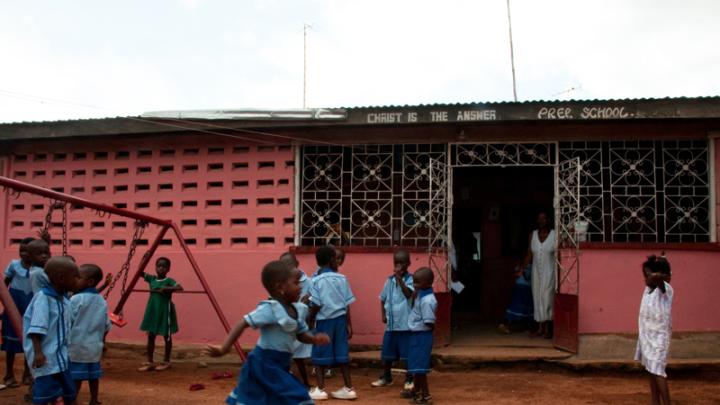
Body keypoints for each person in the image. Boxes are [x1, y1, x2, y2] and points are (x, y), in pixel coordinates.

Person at [204, 260, 330, 405]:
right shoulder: (271, 309)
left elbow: (300, 334)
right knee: (298, 397)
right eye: (296, 283)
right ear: (280, 287)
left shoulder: (299, 310)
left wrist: (314, 339)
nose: (300, 287)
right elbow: (243, 323)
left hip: (281, 364)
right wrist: (223, 348)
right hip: (263, 363)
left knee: (275, 399)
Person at [23, 256, 79, 405]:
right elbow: (36, 328)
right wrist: (38, 353)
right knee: (44, 395)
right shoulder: (43, 298)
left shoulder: (63, 299)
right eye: (75, 277)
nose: (78, 280)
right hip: (46, 358)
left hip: (61, 357)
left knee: (69, 392)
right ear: (61, 278)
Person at [307, 246, 357, 401]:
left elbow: (315, 304)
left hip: (324, 321)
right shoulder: (342, 279)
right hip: (340, 321)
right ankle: (349, 388)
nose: (337, 261)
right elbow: (347, 303)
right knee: (342, 353)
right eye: (335, 258)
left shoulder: (316, 280)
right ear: (330, 260)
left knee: (320, 352)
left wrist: (310, 321)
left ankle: (321, 389)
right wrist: (349, 324)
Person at [371, 250, 414, 393]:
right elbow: (382, 298)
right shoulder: (389, 281)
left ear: (408, 264)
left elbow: (409, 294)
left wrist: (399, 279)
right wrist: (383, 315)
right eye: (396, 263)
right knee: (387, 353)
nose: (399, 265)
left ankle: (409, 378)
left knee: (406, 354)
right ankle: (386, 376)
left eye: (402, 263)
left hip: (405, 325)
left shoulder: (411, 279)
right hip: (391, 324)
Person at [68, 264, 111, 405]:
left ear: (90, 281)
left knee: (76, 376)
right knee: (94, 376)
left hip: (76, 346)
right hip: (94, 347)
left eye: (78, 277)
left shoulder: (75, 300)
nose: (74, 280)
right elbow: (107, 325)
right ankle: (94, 399)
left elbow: (68, 321)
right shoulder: (101, 301)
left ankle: (73, 399)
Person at [635, 255, 673, 405]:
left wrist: (659, 269)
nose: (646, 279)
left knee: (658, 370)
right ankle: (655, 401)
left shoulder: (665, 290)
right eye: (644, 276)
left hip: (659, 338)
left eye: (647, 276)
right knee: (651, 369)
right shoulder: (648, 290)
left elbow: (660, 279)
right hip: (647, 337)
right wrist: (651, 274)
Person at [2, 237, 37, 389]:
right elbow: (4, 285)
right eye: (21, 251)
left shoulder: (38, 268)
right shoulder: (14, 265)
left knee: (31, 340)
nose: (23, 254)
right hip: (14, 303)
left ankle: (27, 373)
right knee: (11, 342)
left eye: (27, 251)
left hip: (31, 305)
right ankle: (9, 374)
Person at [138, 257, 183, 371]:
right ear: (155, 267)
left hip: (165, 310)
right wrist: (144, 257)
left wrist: (167, 288)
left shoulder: (169, 280)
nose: (161, 268)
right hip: (153, 310)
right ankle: (150, 362)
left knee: (167, 336)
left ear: (168, 269)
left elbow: (179, 287)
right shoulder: (152, 279)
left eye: (164, 267)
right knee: (151, 335)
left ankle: (166, 361)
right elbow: (140, 272)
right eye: (159, 266)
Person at [280, 252, 313, 388]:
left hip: (302, 323)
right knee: (285, 353)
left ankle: (305, 382)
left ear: (297, 264)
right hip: (286, 322)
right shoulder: (280, 283)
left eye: (289, 265)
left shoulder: (309, 282)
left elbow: (313, 300)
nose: (286, 268)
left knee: (299, 356)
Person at [405, 267, 437, 404]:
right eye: (414, 282)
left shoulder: (427, 300)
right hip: (417, 335)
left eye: (417, 282)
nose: (414, 285)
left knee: (420, 369)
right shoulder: (421, 295)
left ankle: (426, 396)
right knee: (417, 368)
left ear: (428, 283)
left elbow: (429, 321)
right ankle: (416, 393)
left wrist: (428, 330)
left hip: (422, 336)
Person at [522, 211, 556, 338]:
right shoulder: (533, 235)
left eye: (544, 218)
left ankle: (548, 329)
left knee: (547, 298)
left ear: (548, 220)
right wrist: (522, 269)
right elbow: (529, 255)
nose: (541, 221)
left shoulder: (554, 235)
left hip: (550, 272)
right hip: (536, 273)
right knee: (537, 298)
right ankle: (540, 328)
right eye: (539, 218)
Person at [498, 260, 534, 334]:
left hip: (527, 288)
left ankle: (527, 327)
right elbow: (516, 274)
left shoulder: (533, 265)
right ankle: (505, 325)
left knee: (527, 308)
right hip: (520, 287)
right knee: (515, 306)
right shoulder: (520, 265)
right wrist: (521, 269)